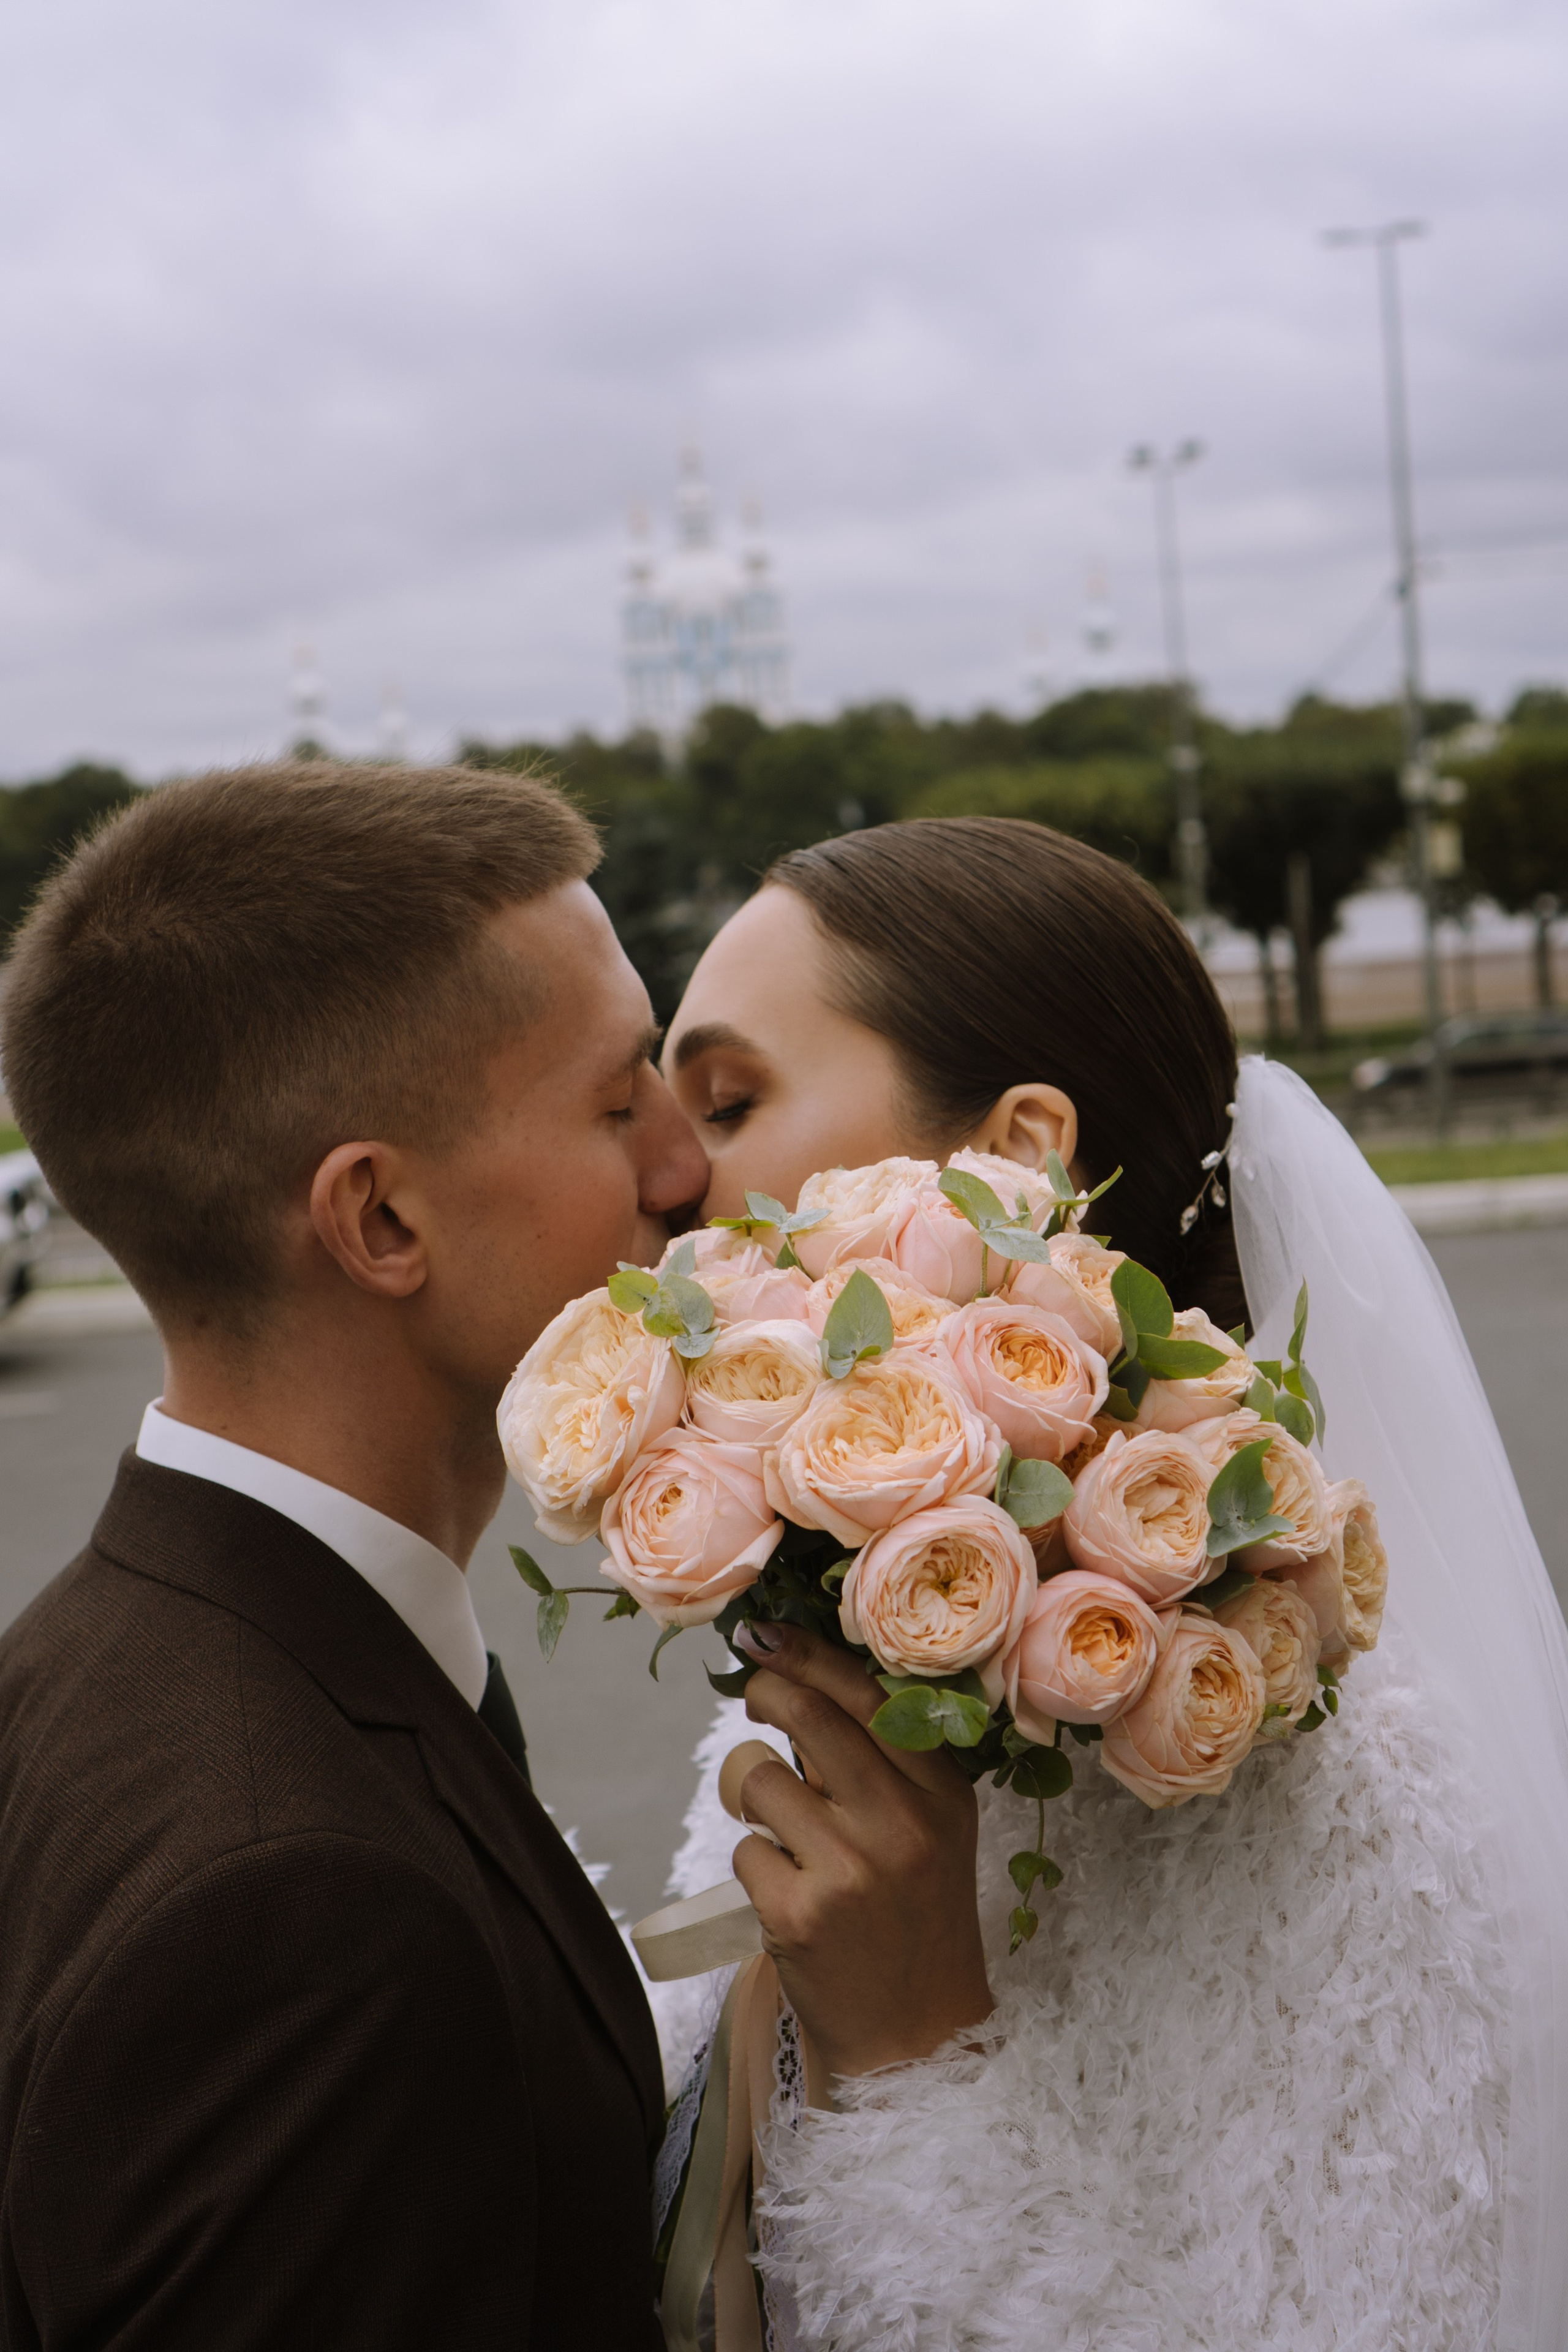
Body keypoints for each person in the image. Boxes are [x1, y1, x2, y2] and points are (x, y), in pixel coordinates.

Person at [0, 763, 987, 2350]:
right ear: (381, 1220)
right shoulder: (299, 1919)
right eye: (617, 1107)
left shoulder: (85, 1665)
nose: (688, 1173)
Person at [658, 814, 1568, 2351]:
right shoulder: (831, 1655)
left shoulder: (1339, 1786)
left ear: (1016, 1155)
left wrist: (907, 2053)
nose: (669, 1172)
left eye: (730, 1097)